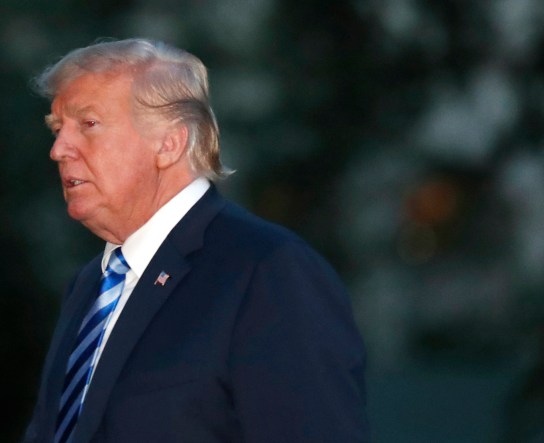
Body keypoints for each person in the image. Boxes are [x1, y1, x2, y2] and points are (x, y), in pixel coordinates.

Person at [23, 38, 369, 443]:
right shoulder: (90, 287)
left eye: (88, 124)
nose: (59, 149)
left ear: (169, 144)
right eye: (57, 129)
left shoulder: (267, 271)